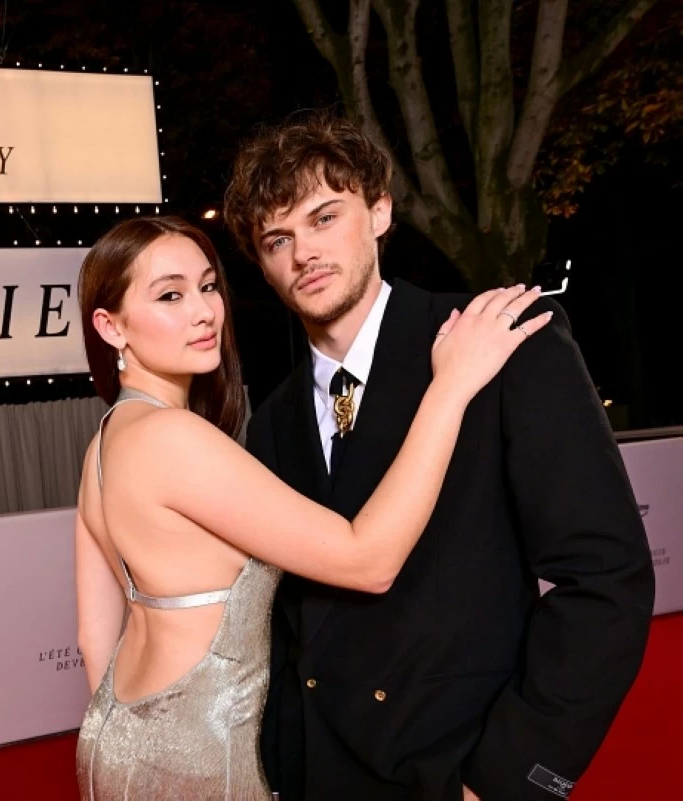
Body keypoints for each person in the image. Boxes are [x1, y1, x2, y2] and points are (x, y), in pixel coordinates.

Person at [223, 111, 655, 801]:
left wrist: (505, 780)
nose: (303, 251)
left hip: (455, 768)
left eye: (324, 217)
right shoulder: (269, 425)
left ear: (380, 211)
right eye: (278, 237)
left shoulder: (504, 343)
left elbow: (607, 579)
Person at [72, 213, 553, 800]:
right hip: (199, 759)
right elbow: (367, 559)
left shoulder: (106, 442)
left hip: (117, 742)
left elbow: (93, 640)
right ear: (110, 325)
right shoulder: (174, 439)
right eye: (170, 295)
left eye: (206, 286)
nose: (203, 311)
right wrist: (450, 388)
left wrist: (130, 746)